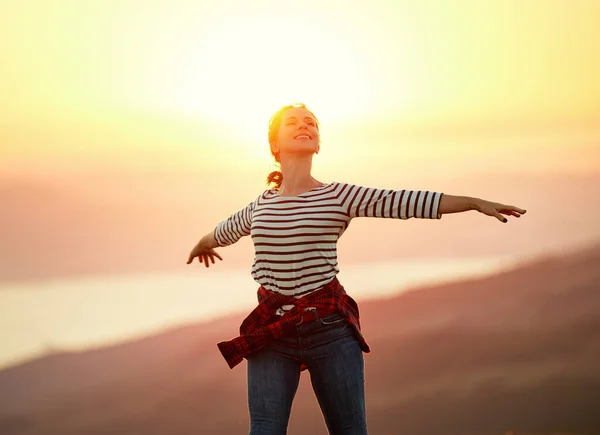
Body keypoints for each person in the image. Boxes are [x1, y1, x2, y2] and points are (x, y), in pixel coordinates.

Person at [186, 103, 527, 435]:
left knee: (349, 430)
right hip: (271, 330)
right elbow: (222, 232)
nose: (305, 125)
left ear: (318, 143)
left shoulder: (339, 196)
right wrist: (202, 244)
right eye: (293, 122)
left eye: (312, 122)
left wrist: (472, 202)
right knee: (264, 430)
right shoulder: (259, 207)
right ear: (274, 144)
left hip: (329, 331)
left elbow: (405, 201)